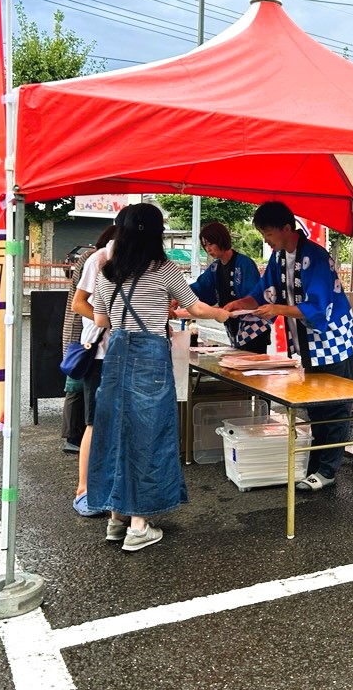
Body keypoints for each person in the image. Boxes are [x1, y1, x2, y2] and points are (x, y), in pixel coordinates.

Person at [88, 203, 232, 551]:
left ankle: (115, 519)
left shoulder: (108, 273)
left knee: (115, 433)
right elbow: (195, 308)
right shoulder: (165, 270)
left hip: (116, 356)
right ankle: (139, 525)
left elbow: (100, 319)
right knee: (148, 436)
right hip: (150, 357)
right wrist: (222, 315)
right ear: (155, 234)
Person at [223, 201, 353, 492]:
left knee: (334, 408)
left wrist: (276, 308)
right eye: (262, 233)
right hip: (309, 345)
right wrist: (242, 304)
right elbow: (261, 294)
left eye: (269, 233)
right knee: (315, 408)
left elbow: (318, 307)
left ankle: (327, 470)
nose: (266, 239)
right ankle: (315, 465)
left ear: (287, 228)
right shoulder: (278, 257)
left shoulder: (316, 257)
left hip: (333, 342)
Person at [68, 224, 117, 517]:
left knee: (112, 424)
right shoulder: (98, 259)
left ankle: (107, 487)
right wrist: (109, 321)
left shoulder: (136, 260)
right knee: (95, 423)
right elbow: (78, 303)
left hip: (122, 353)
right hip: (99, 352)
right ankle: (83, 490)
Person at [188, 221, 271, 353]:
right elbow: (201, 287)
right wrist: (179, 296)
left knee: (252, 369)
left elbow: (254, 296)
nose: (208, 249)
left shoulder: (244, 263)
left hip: (253, 328)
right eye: (205, 245)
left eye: (211, 244)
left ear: (221, 240)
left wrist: (238, 305)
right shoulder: (215, 268)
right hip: (233, 325)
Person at [60, 240, 103, 454]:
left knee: (78, 382)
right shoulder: (93, 259)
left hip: (83, 326)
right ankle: (71, 435)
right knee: (76, 382)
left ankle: (74, 435)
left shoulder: (93, 258)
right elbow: (79, 301)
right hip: (82, 329)